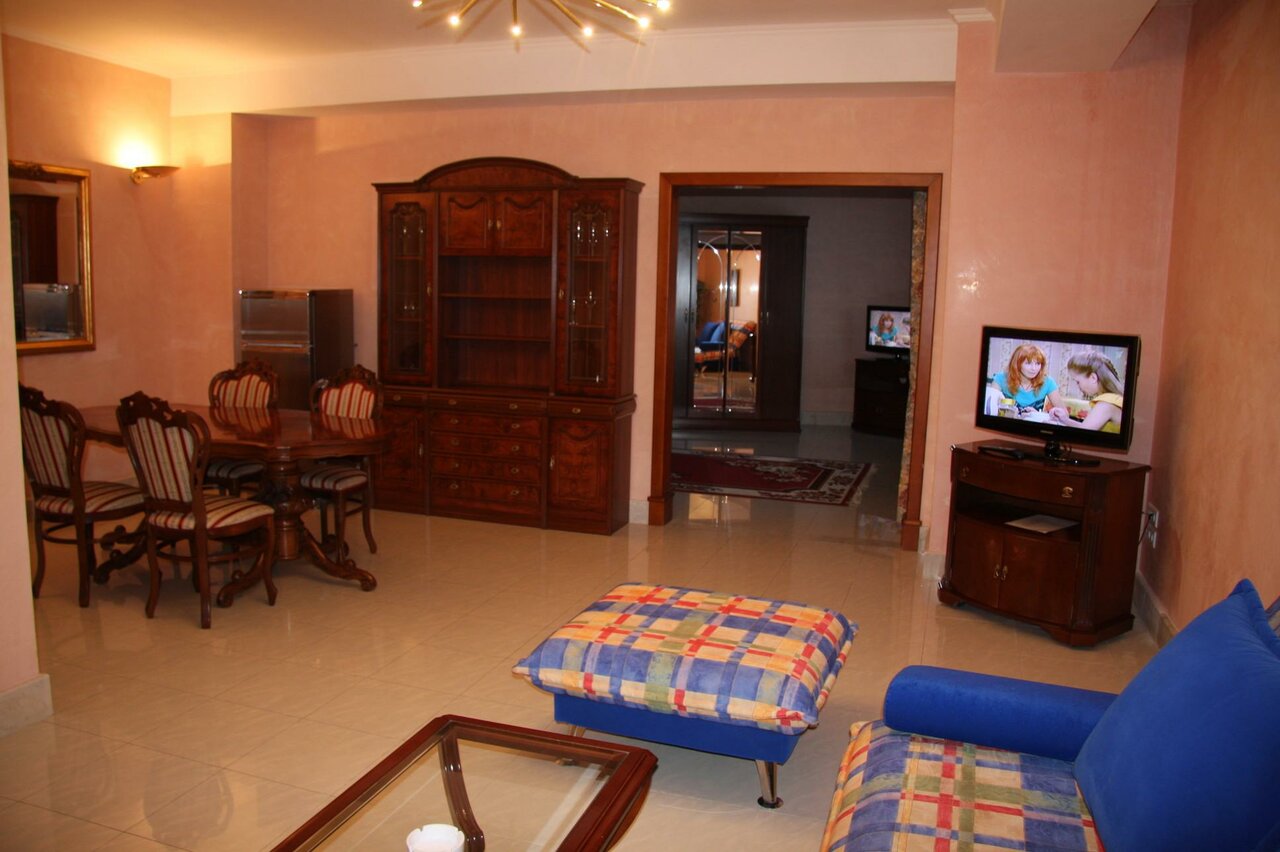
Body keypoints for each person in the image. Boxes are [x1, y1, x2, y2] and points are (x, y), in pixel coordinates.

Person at [1051, 351, 1125, 432]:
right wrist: (1065, 420)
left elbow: (1084, 434)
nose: (1078, 386)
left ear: (1093, 378)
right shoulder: (1113, 399)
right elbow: (1086, 428)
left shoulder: (1106, 404)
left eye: (1078, 382)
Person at [991, 343, 1064, 417]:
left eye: (1038, 363)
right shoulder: (1000, 378)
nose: (1034, 368)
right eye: (1028, 363)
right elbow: (989, 409)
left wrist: (1039, 415)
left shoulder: (1048, 382)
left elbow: (1064, 415)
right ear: (1017, 364)